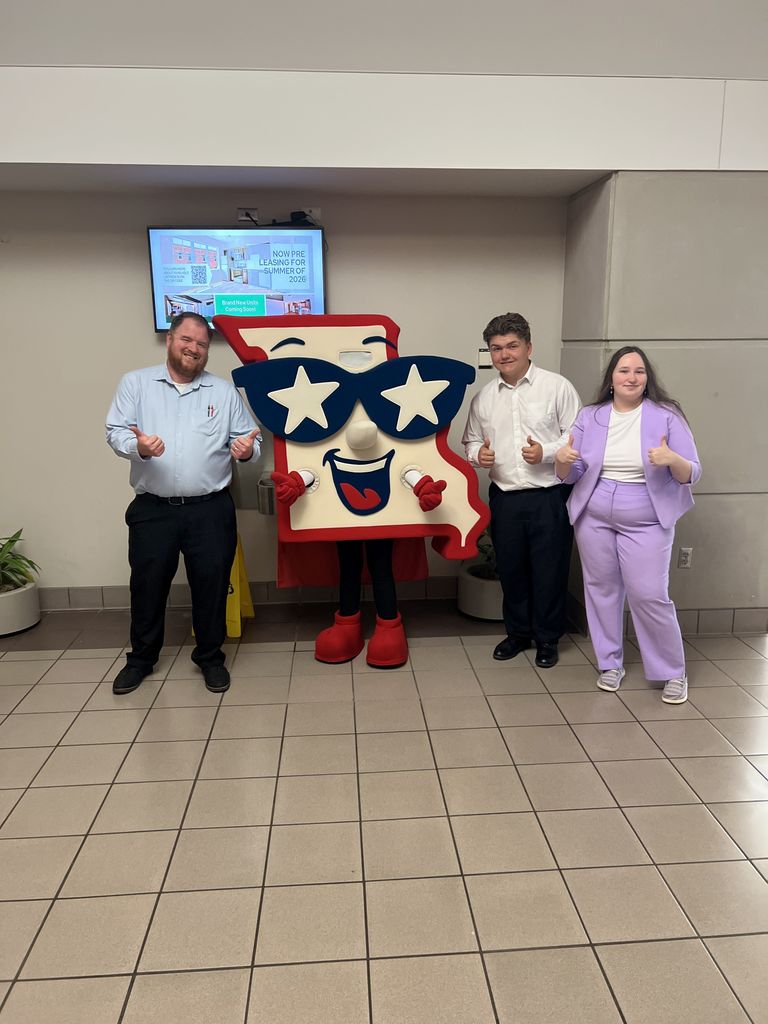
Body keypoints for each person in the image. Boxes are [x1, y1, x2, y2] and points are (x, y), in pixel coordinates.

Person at [106, 312, 260, 695]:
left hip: (210, 509)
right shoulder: (136, 384)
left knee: (211, 584)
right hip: (153, 509)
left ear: (208, 351)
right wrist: (138, 448)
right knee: (147, 585)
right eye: (186, 340)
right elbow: (115, 432)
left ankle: (210, 658)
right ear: (170, 340)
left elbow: (250, 444)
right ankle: (141, 659)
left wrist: (245, 452)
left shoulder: (222, 392)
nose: (193, 348)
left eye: (202, 344)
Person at [555, 346, 701, 703]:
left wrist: (672, 459)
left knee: (649, 593)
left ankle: (672, 672)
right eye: (623, 371)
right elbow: (570, 474)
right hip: (595, 512)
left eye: (638, 371)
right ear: (611, 379)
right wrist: (560, 460)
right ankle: (610, 662)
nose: (631, 378)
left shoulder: (666, 415)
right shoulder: (590, 416)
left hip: (647, 515)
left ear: (647, 378)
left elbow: (692, 473)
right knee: (601, 588)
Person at [462, 312, 581, 668]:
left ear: (529, 347)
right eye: (496, 348)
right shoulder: (483, 398)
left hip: (549, 497)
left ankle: (547, 639)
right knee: (511, 570)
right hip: (505, 498)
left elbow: (578, 437)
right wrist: (477, 455)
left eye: (512, 345)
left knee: (550, 570)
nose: (504, 354)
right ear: (490, 353)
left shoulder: (557, 387)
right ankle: (517, 634)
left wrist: (544, 452)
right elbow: (469, 440)